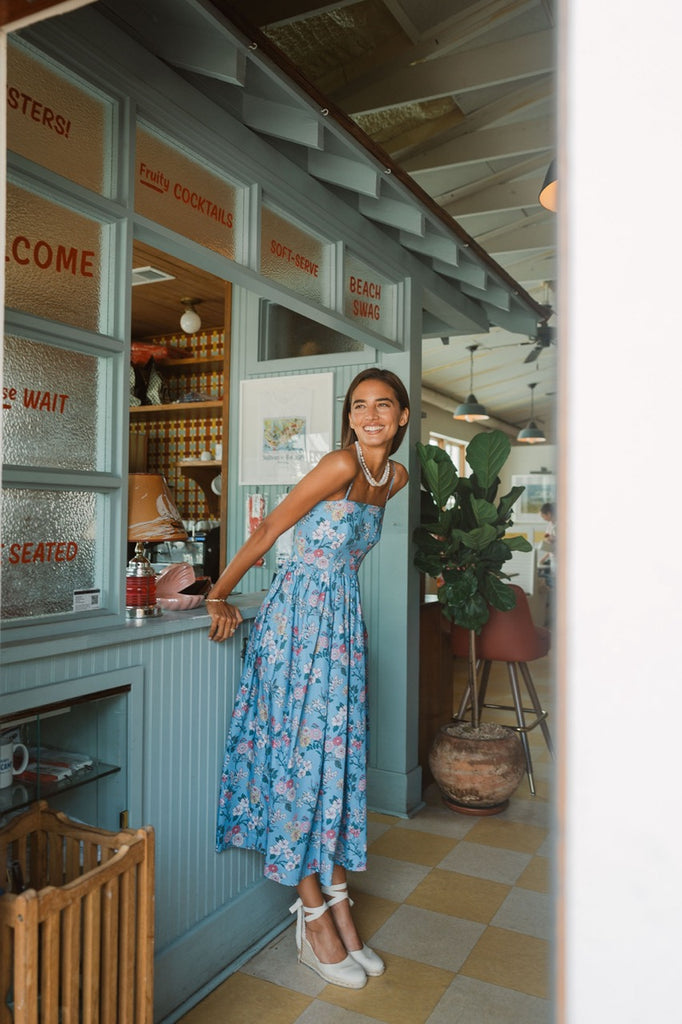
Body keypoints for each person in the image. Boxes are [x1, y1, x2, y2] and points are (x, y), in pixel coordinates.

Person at [206, 368, 410, 990]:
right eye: (359, 406)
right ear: (349, 418)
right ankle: (315, 916)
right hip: (296, 621)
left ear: (401, 416)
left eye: (383, 405)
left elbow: (345, 555)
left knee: (334, 759)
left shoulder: (395, 477)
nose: (370, 415)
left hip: (341, 623)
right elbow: (271, 530)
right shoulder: (340, 465)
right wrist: (218, 594)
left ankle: (339, 903)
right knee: (300, 757)